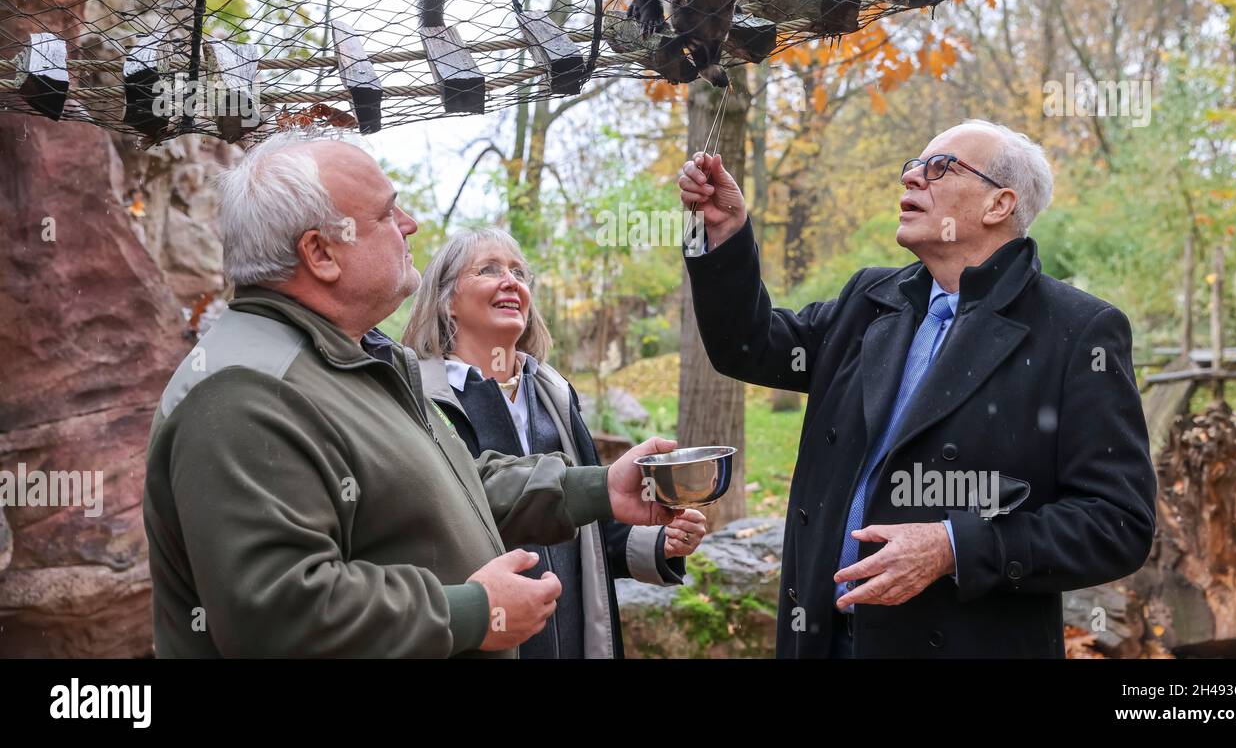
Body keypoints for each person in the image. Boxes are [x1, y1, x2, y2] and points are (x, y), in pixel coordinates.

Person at [143, 130, 676, 658]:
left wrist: (600, 488)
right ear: (321, 252)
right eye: (386, 215)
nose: (410, 226)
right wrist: (470, 612)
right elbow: (279, 614)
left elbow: (452, 486)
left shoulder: (361, 360)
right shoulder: (243, 392)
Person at [676, 118, 1157, 658]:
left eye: (938, 168)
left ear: (998, 205)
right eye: (911, 167)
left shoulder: (1076, 331)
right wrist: (722, 236)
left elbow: (1117, 522)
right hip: (821, 636)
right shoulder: (872, 298)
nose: (910, 180)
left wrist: (954, 547)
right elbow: (749, 345)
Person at [403, 228, 707, 659]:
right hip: (480, 637)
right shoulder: (423, 401)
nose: (511, 282)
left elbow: (589, 523)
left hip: (574, 636)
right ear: (447, 300)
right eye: (488, 270)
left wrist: (662, 540)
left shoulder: (555, 394)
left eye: (519, 273)